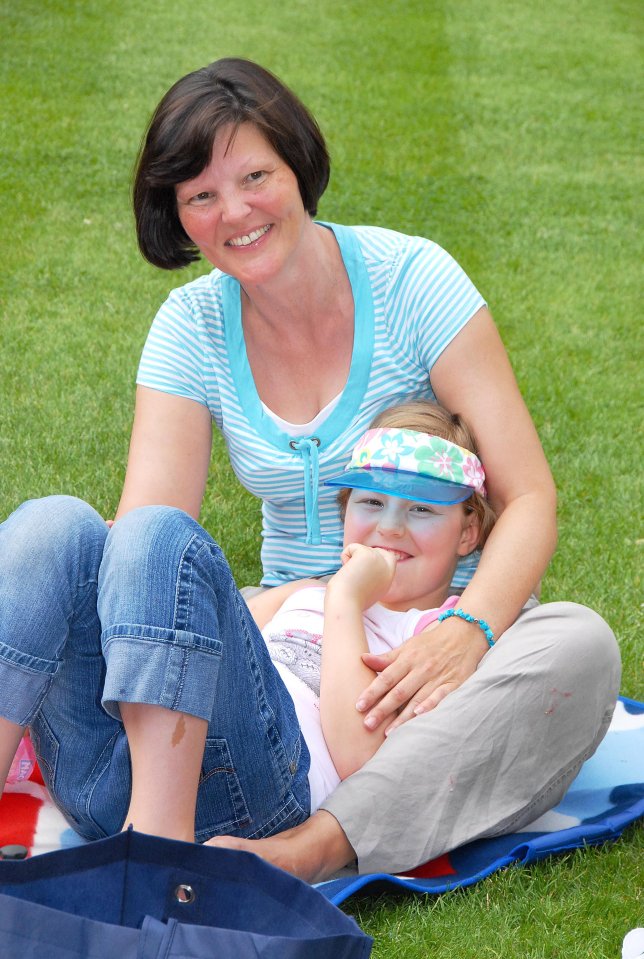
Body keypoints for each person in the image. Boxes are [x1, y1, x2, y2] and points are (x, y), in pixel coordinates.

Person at [0, 58, 620, 879]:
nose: (236, 212)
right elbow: (144, 544)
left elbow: (529, 495)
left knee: (578, 645)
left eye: (255, 175)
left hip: (398, 682)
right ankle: (157, 849)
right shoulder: (189, 327)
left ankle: (312, 847)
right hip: (213, 724)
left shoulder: (412, 282)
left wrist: (470, 629)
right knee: (56, 528)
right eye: (201, 196)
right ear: (178, 219)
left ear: (298, 164)